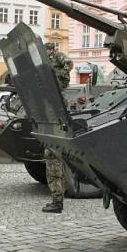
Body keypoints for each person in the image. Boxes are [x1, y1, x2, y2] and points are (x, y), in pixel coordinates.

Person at [42, 42, 73, 214]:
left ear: (51, 50)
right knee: (52, 172)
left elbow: (68, 64)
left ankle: (57, 202)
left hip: (55, 147)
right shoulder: (46, 60)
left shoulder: (59, 57)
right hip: (51, 145)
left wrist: (56, 73)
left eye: (47, 50)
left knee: (55, 172)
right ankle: (56, 201)